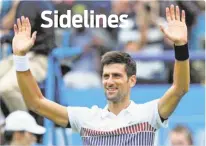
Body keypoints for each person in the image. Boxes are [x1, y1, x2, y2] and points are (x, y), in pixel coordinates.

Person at [12, 5, 190, 145]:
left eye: (116, 76)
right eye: (106, 76)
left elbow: (180, 88)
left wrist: (181, 46)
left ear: (132, 80)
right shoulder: (87, 119)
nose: (110, 81)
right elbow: (36, 102)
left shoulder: (148, 114)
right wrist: (20, 57)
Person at [0, 1, 55, 116]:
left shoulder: (32, 3)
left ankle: (24, 130)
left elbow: (23, 37)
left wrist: (4, 37)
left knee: (6, 88)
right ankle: (4, 127)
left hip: (38, 59)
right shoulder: (23, 3)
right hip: (19, 57)